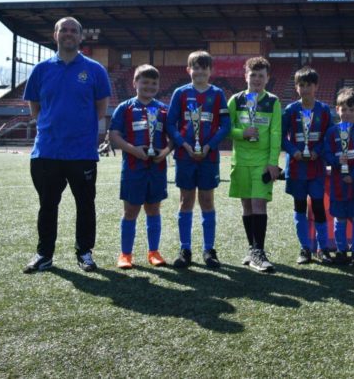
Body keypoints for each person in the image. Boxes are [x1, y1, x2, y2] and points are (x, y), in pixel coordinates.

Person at [22, 16, 112, 273]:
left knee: (85, 205)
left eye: (74, 30)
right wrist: (52, 128)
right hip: (47, 151)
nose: (69, 34)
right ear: (56, 35)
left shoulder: (95, 70)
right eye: (64, 30)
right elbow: (35, 108)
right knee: (47, 205)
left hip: (82, 152)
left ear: (81, 37)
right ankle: (44, 254)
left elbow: (100, 109)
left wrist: (78, 131)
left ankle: (84, 253)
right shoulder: (41, 69)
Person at [166, 51, 230, 269]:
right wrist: (184, 144)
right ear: (188, 70)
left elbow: (225, 126)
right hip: (185, 156)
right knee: (185, 201)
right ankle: (185, 249)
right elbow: (170, 124)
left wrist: (209, 145)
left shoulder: (218, 94)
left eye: (204, 67)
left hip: (208, 157)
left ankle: (209, 249)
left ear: (210, 71)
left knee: (207, 201)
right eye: (196, 67)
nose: (200, 71)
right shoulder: (180, 93)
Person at [109, 65, 172, 269]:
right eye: (144, 82)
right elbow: (114, 135)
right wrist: (133, 150)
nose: (149, 86)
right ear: (135, 83)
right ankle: (126, 254)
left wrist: (164, 152)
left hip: (157, 168)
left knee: (153, 209)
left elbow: (174, 138)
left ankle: (154, 252)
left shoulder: (164, 109)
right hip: (133, 168)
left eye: (154, 83)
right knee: (131, 211)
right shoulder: (125, 108)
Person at [228, 57, 282, 273]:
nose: (257, 79)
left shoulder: (273, 101)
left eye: (261, 75)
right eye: (253, 75)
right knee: (247, 206)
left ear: (267, 78)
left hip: (262, 163)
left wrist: (273, 163)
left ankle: (259, 251)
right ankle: (252, 250)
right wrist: (242, 133)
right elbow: (226, 128)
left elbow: (276, 132)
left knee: (259, 204)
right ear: (246, 76)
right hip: (240, 162)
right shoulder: (235, 100)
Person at [281, 67, 334, 265]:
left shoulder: (324, 110)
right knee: (300, 207)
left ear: (316, 87)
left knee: (319, 207)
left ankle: (323, 248)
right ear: (296, 88)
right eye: (301, 85)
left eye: (309, 85)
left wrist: (317, 151)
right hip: (296, 168)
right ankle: (304, 248)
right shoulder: (290, 110)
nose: (305, 89)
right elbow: (282, 137)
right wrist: (293, 150)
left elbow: (329, 137)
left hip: (316, 167)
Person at [322, 87, 354, 266]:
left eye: (352, 109)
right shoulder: (332, 132)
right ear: (337, 109)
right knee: (339, 218)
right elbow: (326, 153)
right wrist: (336, 160)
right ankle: (341, 250)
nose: (348, 113)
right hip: (338, 182)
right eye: (344, 109)